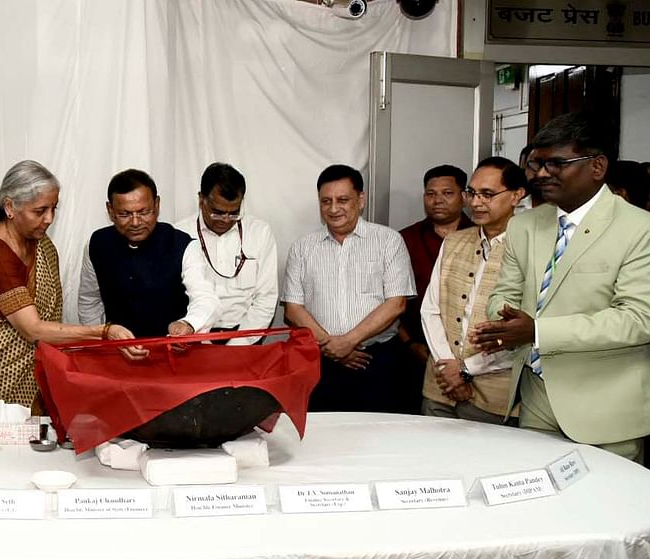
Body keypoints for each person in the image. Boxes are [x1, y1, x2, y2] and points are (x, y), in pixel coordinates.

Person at [473, 112, 650, 462]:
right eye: (537, 163)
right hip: (535, 398)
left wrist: (535, 330)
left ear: (597, 166)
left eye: (557, 163)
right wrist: (504, 321)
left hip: (606, 408)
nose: (541, 174)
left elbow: (639, 320)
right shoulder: (526, 226)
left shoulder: (644, 230)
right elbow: (503, 294)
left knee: (610, 513)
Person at [0, 160, 142, 416]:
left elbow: (49, 318)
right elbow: (33, 329)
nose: (49, 219)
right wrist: (104, 331)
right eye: (40, 211)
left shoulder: (42, 245)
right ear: (10, 207)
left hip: (29, 377)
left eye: (53, 208)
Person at [282, 164, 415, 413]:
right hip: (320, 361)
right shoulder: (303, 247)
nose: (333, 209)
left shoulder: (389, 241)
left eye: (343, 200)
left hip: (376, 360)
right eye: (326, 201)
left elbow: (396, 304)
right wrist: (332, 347)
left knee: (378, 437)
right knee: (324, 438)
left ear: (360, 199)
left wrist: (349, 342)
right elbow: (292, 309)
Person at [419, 157, 527, 424]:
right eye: (472, 193)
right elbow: (431, 309)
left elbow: (524, 330)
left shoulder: (529, 247)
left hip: (494, 395)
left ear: (516, 195)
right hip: (440, 389)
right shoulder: (455, 241)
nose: (476, 203)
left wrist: (466, 369)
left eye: (488, 194)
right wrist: (448, 369)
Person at [78, 169, 217, 338]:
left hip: (172, 349)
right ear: (110, 210)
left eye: (144, 212)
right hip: (117, 351)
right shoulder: (97, 244)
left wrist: (188, 324)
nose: (135, 222)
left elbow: (205, 299)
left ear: (157, 205)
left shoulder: (183, 245)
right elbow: (89, 300)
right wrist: (102, 337)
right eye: (125, 214)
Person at [176, 162, 278, 344]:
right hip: (193, 339)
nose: (225, 220)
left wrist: (239, 344)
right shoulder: (178, 235)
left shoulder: (259, 232)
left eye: (234, 213)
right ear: (201, 199)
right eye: (217, 212)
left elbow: (266, 297)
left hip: (246, 337)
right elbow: (173, 298)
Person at [397, 165, 472, 412]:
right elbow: (391, 300)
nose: (437, 200)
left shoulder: (479, 236)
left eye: (447, 193)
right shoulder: (404, 240)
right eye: (431, 194)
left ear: (463, 197)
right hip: (413, 350)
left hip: (470, 359)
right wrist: (410, 344)